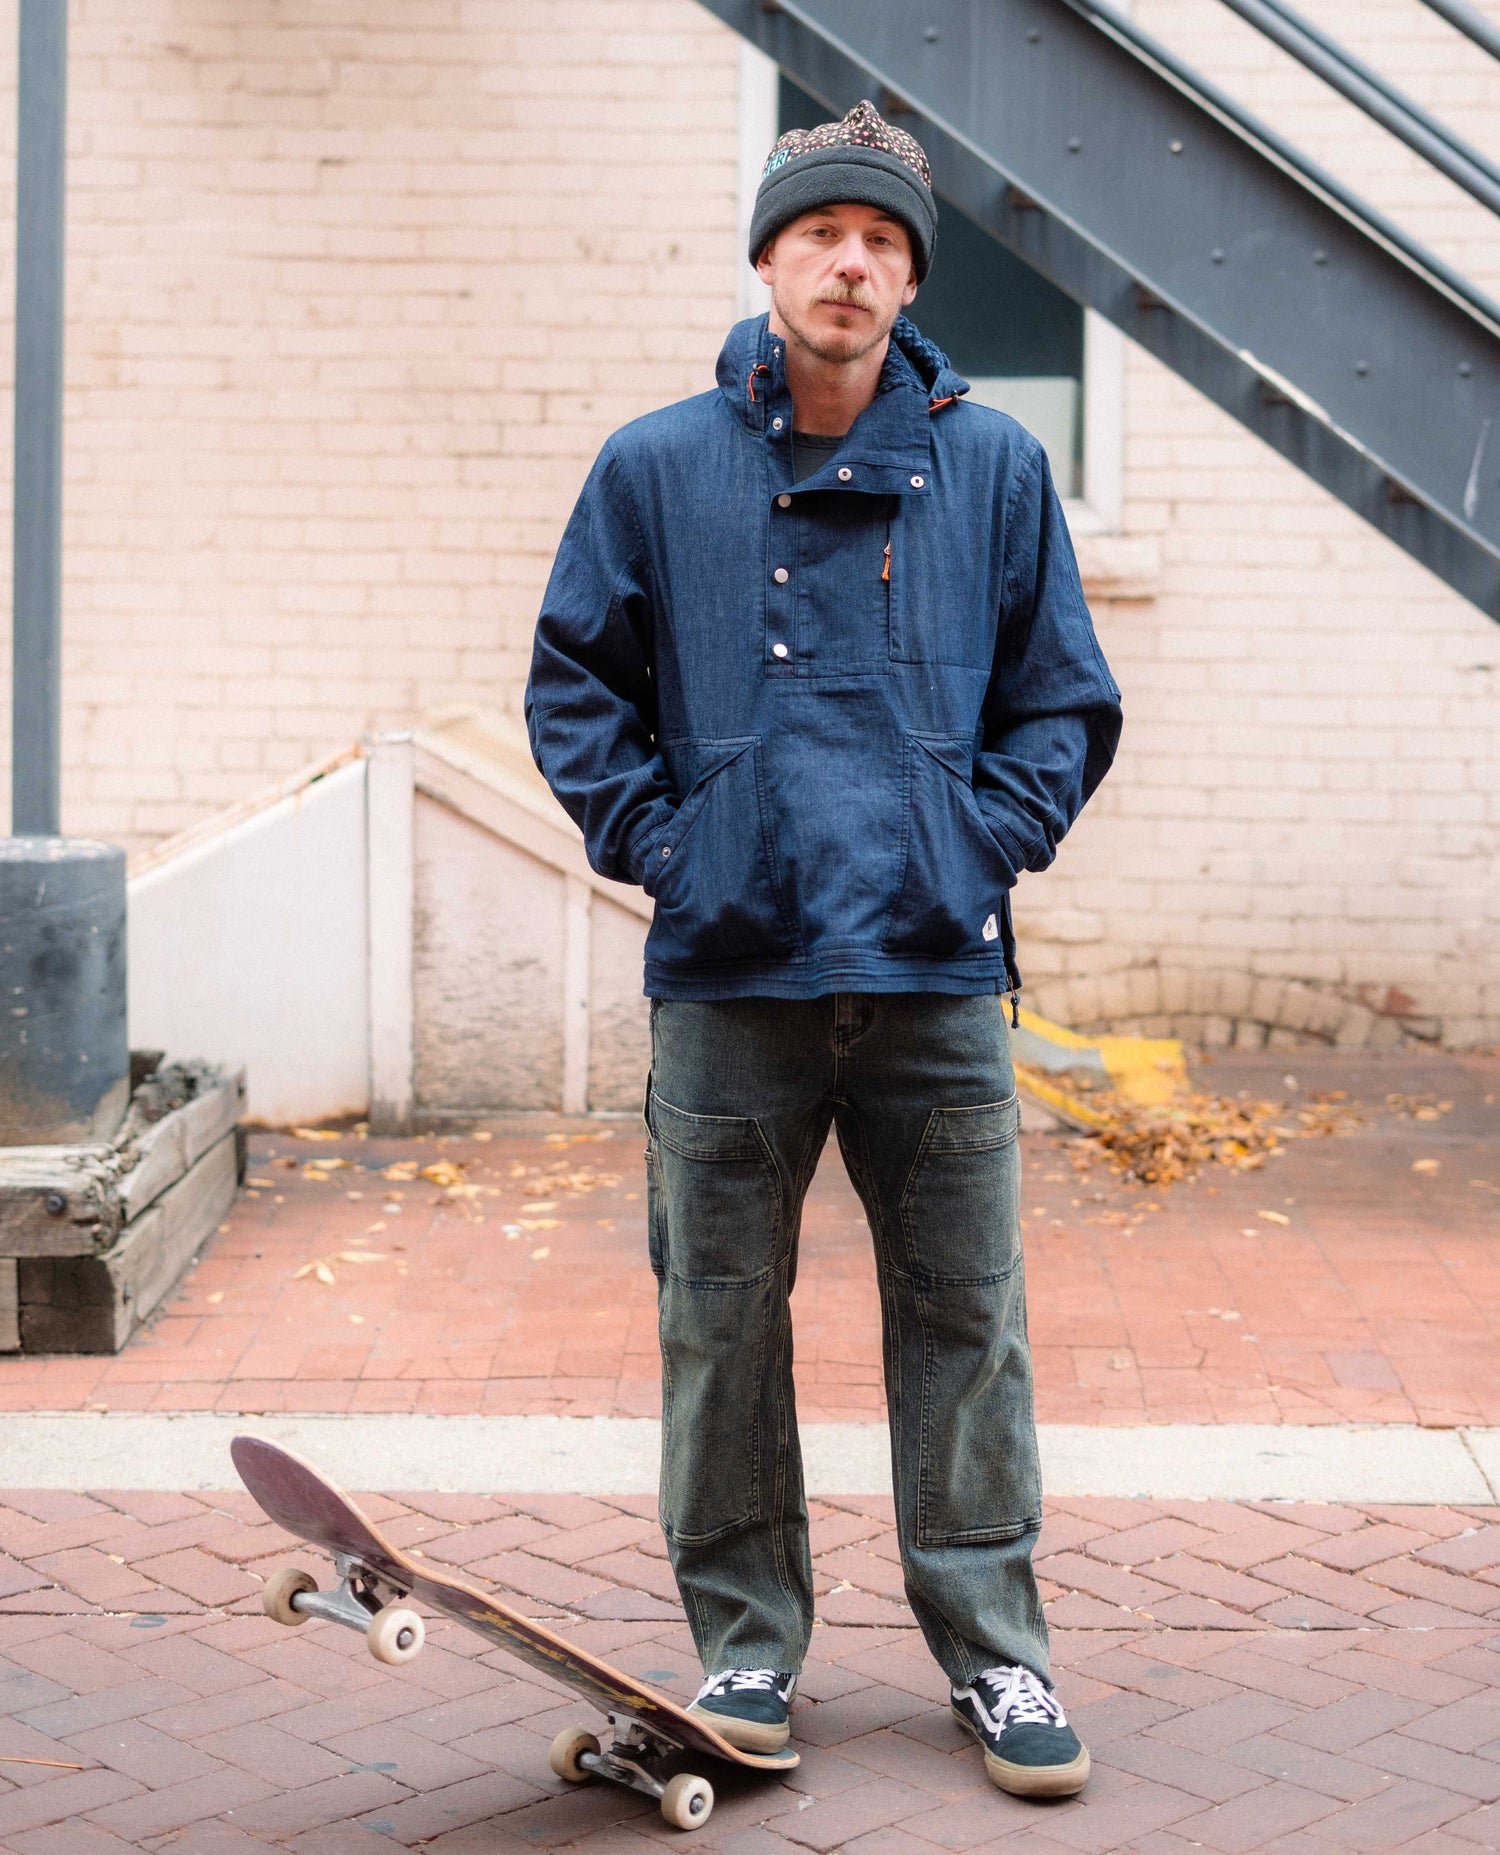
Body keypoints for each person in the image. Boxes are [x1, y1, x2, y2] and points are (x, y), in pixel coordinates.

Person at [526, 99, 1121, 1800]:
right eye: (818, 235)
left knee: (967, 1321)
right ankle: (747, 1643)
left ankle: (996, 1655)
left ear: (909, 275)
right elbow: (576, 686)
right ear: (772, 261)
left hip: (935, 973)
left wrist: (977, 836)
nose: (848, 264)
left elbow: (1063, 699)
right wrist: (669, 845)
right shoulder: (655, 467)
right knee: (721, 1322)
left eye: (880, 242)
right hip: (730, 982)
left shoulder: (995, 466)